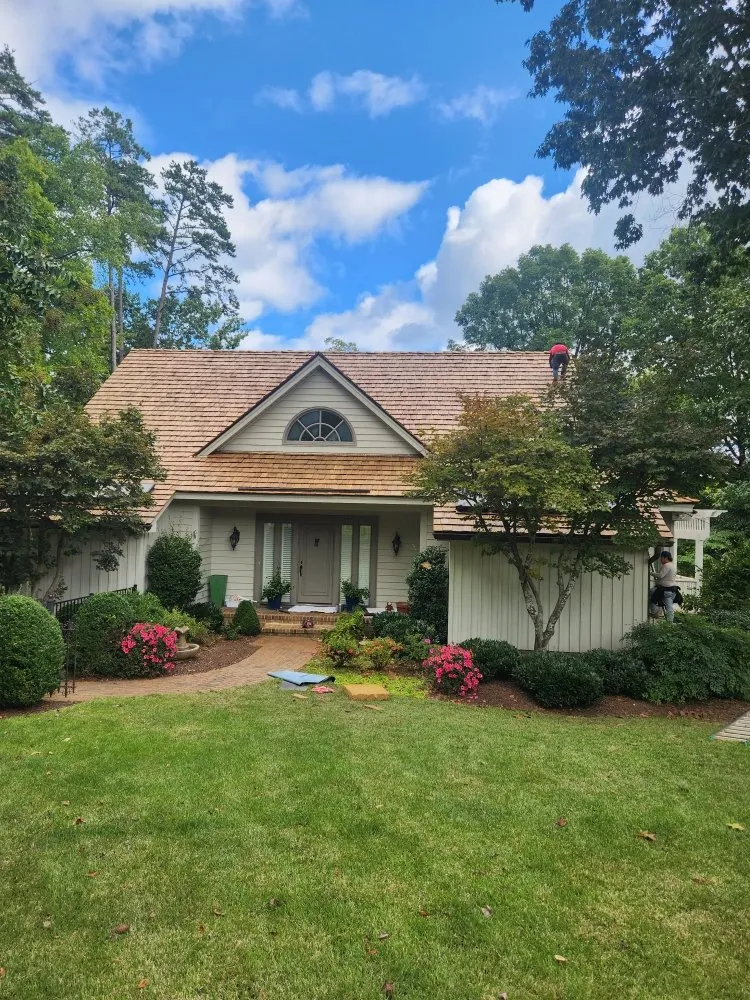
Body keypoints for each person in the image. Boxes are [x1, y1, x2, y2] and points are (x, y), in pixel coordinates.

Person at [649, 550, 678, 622]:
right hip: (672, 590)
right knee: (669, 607)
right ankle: (670, 622)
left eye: (661, 558)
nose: (660, 560)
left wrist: (651, 573)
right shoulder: (672, 566)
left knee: (651, 594)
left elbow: (661, 575)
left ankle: (655, 612)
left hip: (665, 590)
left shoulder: (666, 565)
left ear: (665, 558)